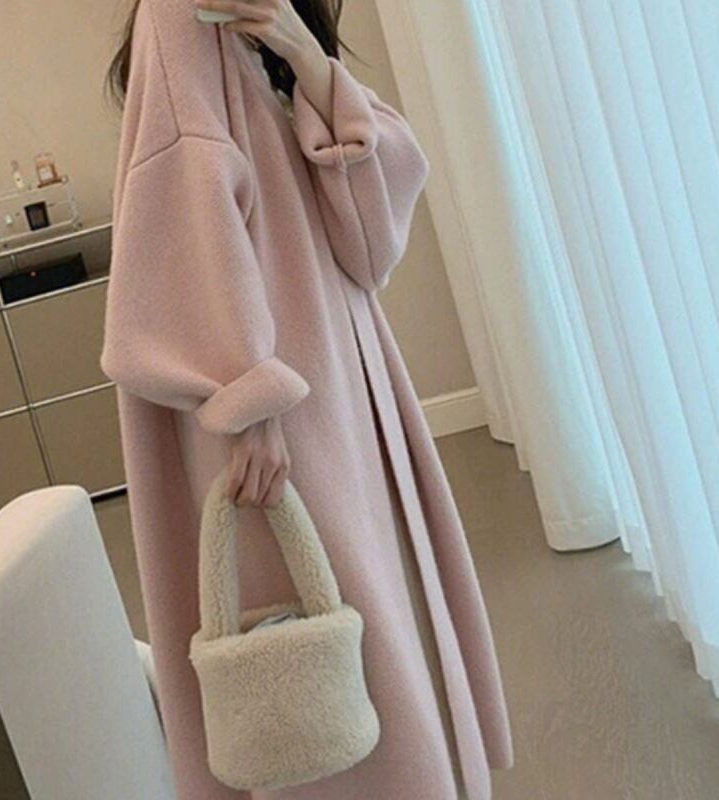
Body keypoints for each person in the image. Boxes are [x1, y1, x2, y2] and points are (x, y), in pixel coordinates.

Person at [101, 1, 513, 798]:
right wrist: (245, 398)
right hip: (270, 411)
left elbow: (368, 244)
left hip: (341, 384)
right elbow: (182, 202)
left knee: (369, 634)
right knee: (321, 662)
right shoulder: (180, 13)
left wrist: (305, 57)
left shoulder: (272, 25)